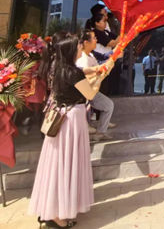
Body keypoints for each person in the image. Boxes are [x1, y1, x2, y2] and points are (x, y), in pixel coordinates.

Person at [28, 33, 114, 228]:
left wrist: (99, 69)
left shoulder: (57, 67)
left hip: (60, 118)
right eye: (77, 46)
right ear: (70, 51)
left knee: (57, 165)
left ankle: (49, 208)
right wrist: (103, 74)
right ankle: (56, 215)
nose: (80, 47)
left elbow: (84, 72)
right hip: (71, 120)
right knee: (67, 164)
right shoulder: (72, 72)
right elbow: (90, 94)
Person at [76, 29, 116, 142]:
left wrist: (111, 60)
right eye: (94, 38)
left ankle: (100, 133)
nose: (96, 40)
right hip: (85, 93)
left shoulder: (91, 55)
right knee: (107, 106)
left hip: (91, 90)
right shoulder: (83, 59)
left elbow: (101, 63)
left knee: (108, 105)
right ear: (85, 42)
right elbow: (89, 77)